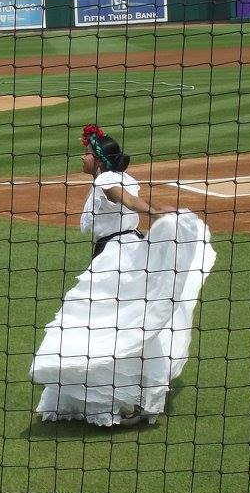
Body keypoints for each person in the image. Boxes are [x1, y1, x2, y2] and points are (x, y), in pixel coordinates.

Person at [29, 124, 216, 427]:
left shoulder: (106, 178)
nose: (82, 158)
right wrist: (155, 210)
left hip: (117, 256)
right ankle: (140, 398)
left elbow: (127, 201)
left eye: (87, 153)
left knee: (102, 321)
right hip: (122, 250)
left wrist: (154, 212)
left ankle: (115, 400)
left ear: (99, 158)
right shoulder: (117, 176)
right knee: (128, 321)